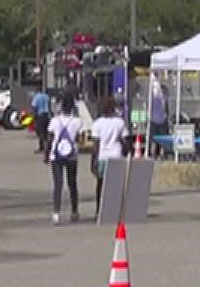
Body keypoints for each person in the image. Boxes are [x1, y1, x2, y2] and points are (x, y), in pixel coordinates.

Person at [46, 95, 84, 224]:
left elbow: (50, 138)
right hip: (71, 155)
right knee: (72, 183)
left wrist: (46, 155)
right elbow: (79, 139)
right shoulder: (77, 121)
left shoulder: (55, 121)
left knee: (58, 184)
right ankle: (74, 211)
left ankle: (56, 213)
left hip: (56, 155)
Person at [89, 96, 129, 216]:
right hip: (116, 156)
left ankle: (99, 209)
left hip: (102, 156)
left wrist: (93, 162)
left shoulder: (97, 124)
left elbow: (96, 145)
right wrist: (127, 153)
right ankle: (117, 209)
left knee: (100, 184)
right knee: (117, 185)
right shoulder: (119, 122)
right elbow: (125, 141)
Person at [148, 77, 169, 158]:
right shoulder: (164, 99)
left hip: (153, 120)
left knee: (153, 139)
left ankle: (153, 154)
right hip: (162, 120)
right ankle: (162, 154)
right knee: (163, 139)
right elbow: (166, 110)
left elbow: (149, 109)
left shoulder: (152, 99)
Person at [30, 87, 52, 158]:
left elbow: (34, 107)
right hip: (46, 116)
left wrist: (33, 116)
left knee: (40, 132)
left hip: (40, 116)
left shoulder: (36, 97)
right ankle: (49, 147)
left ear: (36, 91)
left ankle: (42, 148)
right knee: (46, 132)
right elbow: (49, 106)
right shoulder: (46, 96)